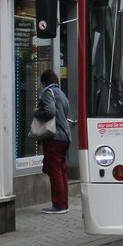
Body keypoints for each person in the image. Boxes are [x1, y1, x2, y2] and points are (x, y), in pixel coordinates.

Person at [36, 70, 72, 214]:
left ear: (44, 83)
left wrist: (37, 112)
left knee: (54, 171)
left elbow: (50, 111)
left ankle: (58, 205)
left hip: (54, 137)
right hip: (65, 137)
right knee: (62, 170)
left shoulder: (47, 92)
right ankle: (64, 203)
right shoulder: (62, 94)